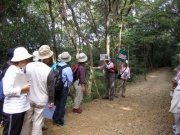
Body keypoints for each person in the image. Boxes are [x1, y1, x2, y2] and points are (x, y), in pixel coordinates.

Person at [20, 45, 55, 135]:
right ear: (47, 58)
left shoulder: (27, 67)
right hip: (42, 101)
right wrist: (51, 101)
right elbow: (51, 88)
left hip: (28, 98)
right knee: (38, 122)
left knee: (26, 120)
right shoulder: (49, 70)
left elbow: (21, 84)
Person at [2, 47, 32, 135]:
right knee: (10, 132)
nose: (27, 60)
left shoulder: (20, 70)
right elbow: (7, 91)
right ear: (21, 59)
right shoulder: (11, 71)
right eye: (26, 58)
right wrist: (22, 89)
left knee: (16, 132)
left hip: (20, 108)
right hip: (13, 109)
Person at [53, 51, 73, 126]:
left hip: (55, 87)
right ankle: (60, 121)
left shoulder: (56, 66)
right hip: (64, 88)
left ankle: (54, 120)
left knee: (56, 103)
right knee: (62, 104)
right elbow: (70, 80)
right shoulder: (68, 68)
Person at [0, 48, 14, 126]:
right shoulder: (10, 67)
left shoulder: (5, 64)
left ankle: (3, 120)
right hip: (7, 91)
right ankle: (4, 120)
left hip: (4, 89)